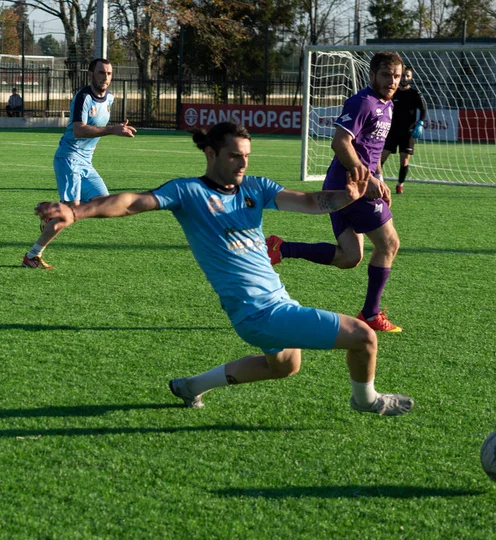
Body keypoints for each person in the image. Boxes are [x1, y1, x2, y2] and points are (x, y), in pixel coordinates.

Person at [35, 122, 414, 416]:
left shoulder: (256, 187)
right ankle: (365, 401)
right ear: (212, 154)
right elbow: (132, 201)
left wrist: (347, 196)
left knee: (285, 364)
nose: (243, 163)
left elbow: (312, 201)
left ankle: (191, 386)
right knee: (363, 336)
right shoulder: (188, 192)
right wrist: (76, 210)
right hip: (258, 312)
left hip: (274, 300)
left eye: (246, 155)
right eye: (234, 156)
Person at [266, 51, 404, 333]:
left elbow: (371, 149)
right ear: (372, 75)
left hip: (350, 184)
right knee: (389, 244)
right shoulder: (362, 102)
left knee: (349, 257)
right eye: (386, 75)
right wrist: (367, 180)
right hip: (350, 186)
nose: (392, 81)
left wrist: (379, 176)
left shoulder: (388, 105)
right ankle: (370, 314)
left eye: (397, 76)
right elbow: (340, 143)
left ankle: (281, 248)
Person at [22, 58, 136, 269]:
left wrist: (114, 127)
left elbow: (96, 130)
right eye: (101, 73)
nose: (106, 77)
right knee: (70, 213)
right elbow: (78, 129)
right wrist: (112, 130)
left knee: (103, 202)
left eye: (109, 74)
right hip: (68, 159)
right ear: (91, 75)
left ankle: (52, 216)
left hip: (86, 163)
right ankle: (32, 255)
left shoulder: (109, 98)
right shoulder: (83, 97)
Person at [380, 66, 428, 195]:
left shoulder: (415, 94)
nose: (405, 78)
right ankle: (377, 181)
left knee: (404, 160)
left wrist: (420, 123)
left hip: (408, 132)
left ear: (411, 78)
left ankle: (400, 185)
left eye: (407, 76)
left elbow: (423, 109)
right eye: (403, 75)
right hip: (391, 131)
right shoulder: (392, 92)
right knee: (381, 158)